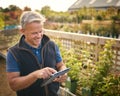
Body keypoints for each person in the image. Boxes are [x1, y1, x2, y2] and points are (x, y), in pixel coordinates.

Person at [6, 11, 67, 96]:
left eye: (41, 31)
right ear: (22, 31)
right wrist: (34, 75)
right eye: (34, 33)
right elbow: (14, 85)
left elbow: (60, 65)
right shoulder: (13, 53)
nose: (39, 36)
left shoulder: (51, 45)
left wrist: (63, 72)